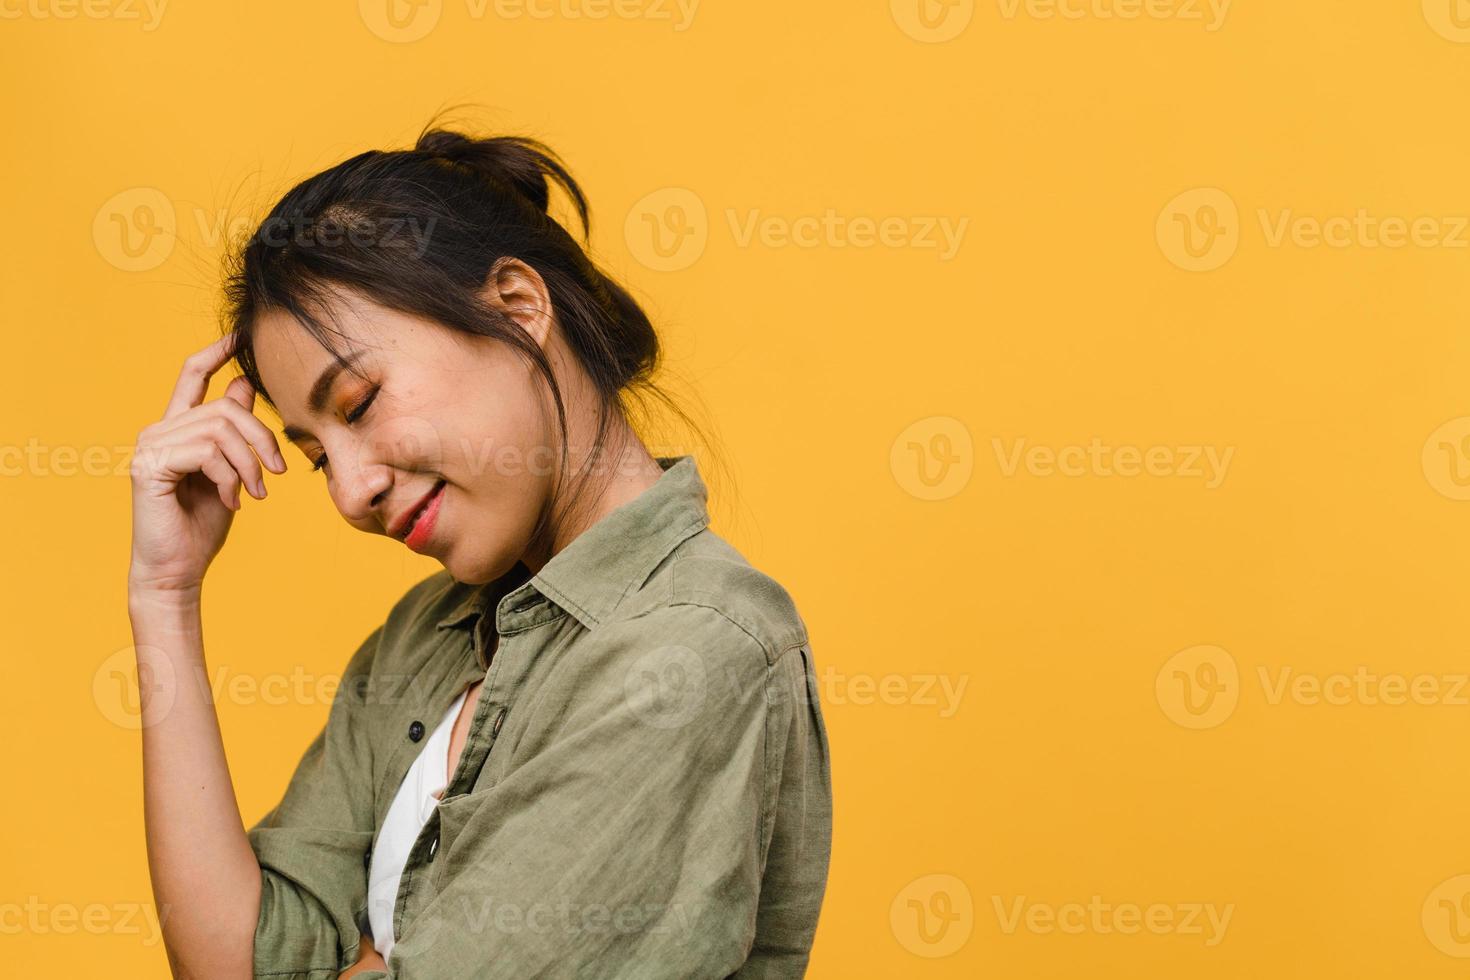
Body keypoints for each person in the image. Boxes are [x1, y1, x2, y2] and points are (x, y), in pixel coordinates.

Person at [126, 122, 832, 979]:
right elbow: (237, 964)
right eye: (317, 459)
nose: (350, 493)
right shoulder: (424, 634)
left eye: (357, 404)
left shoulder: (693, 649)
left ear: (517, 308)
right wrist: (166, 596)